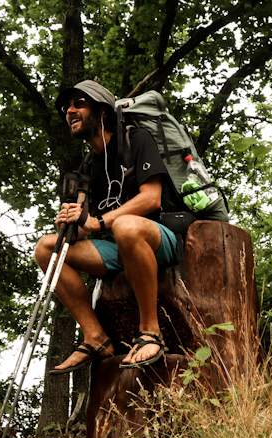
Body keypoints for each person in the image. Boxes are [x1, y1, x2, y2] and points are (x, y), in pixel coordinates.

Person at [34, 80, 181, 374]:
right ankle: (96, 337)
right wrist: (72, 221)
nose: (70, 111)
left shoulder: (135, 140)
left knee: (126, 226)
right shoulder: (88, 166)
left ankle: (151, 332)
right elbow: (85, 228)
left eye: (79, 104)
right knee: (47, 247)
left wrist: (100, 221)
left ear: (102, 112)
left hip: (160, 236)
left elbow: (151, 198)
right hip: (120, 246)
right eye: (67, 107)